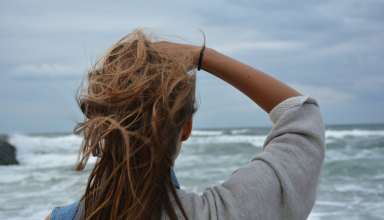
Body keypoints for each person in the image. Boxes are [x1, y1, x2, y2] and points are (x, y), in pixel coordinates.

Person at [46, 29, 325, 220]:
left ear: (99, 125)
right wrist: (203, 56)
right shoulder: (223, 212)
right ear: (186, 127)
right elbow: (302, 115)